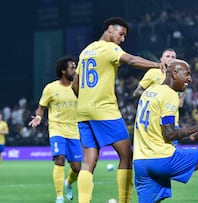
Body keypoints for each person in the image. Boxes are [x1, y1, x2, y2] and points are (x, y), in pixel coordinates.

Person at [71, 17, 166, 203]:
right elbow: (131, 60)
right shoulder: (110, 48)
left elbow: (75, 85)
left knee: (88, 161)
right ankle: (124, 200)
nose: (122, 39)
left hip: (83, 111)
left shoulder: (86, 50)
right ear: (109, 29)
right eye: (121, 34)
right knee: (126, 154)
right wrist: (157, 65)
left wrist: (87, 100)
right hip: (104, 110)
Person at [133, 59, 198, 203]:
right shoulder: (169, 94)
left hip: (140, 162)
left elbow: (155, 128)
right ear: (174, 74)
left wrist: (192, 134)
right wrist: (197, 127)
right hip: (161, 159)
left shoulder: (149, 91)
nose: (190, 79)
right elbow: (169, 134)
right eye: (187, 74)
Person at [28, 56, 82, 203]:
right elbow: (41, 107)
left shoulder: (78, 86)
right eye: (72, 67)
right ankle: (59, 196)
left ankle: (68, 183)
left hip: (74, 131)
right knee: (59, 158)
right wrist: (38, 117)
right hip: (57, 129)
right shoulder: (51, 88)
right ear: (63, 71)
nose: (75, 70)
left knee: (77, 168)